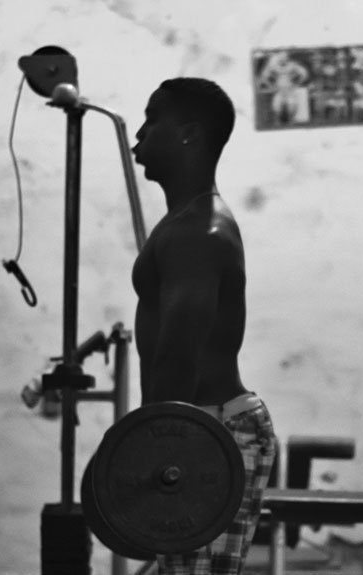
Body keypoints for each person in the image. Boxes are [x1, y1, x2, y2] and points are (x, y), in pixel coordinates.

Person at [130, 77, 277, 575]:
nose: (138, 134)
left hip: (208, 431)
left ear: (189, 134)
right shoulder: (183, 222)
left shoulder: (199, 231)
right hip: (195, 427)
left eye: (152, 120)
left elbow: (178, 353)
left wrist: (152, 450)